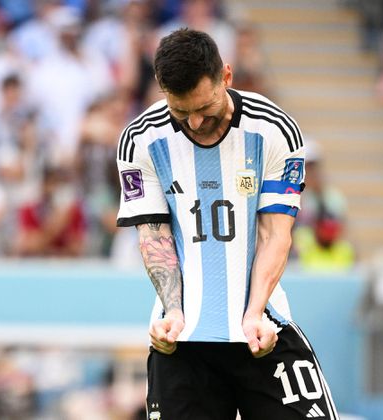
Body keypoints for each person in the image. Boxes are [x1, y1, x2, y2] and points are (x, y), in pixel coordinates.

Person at [115, 29, 338, 419]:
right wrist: (173, 311)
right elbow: (154, 237)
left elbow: (275, 233)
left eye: (205, 106)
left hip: (264, 329)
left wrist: (254, 313)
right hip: (181, 340)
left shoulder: (273, 129)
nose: (195, 121)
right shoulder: (141, 140)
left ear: (226, 77)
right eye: (180, 111)